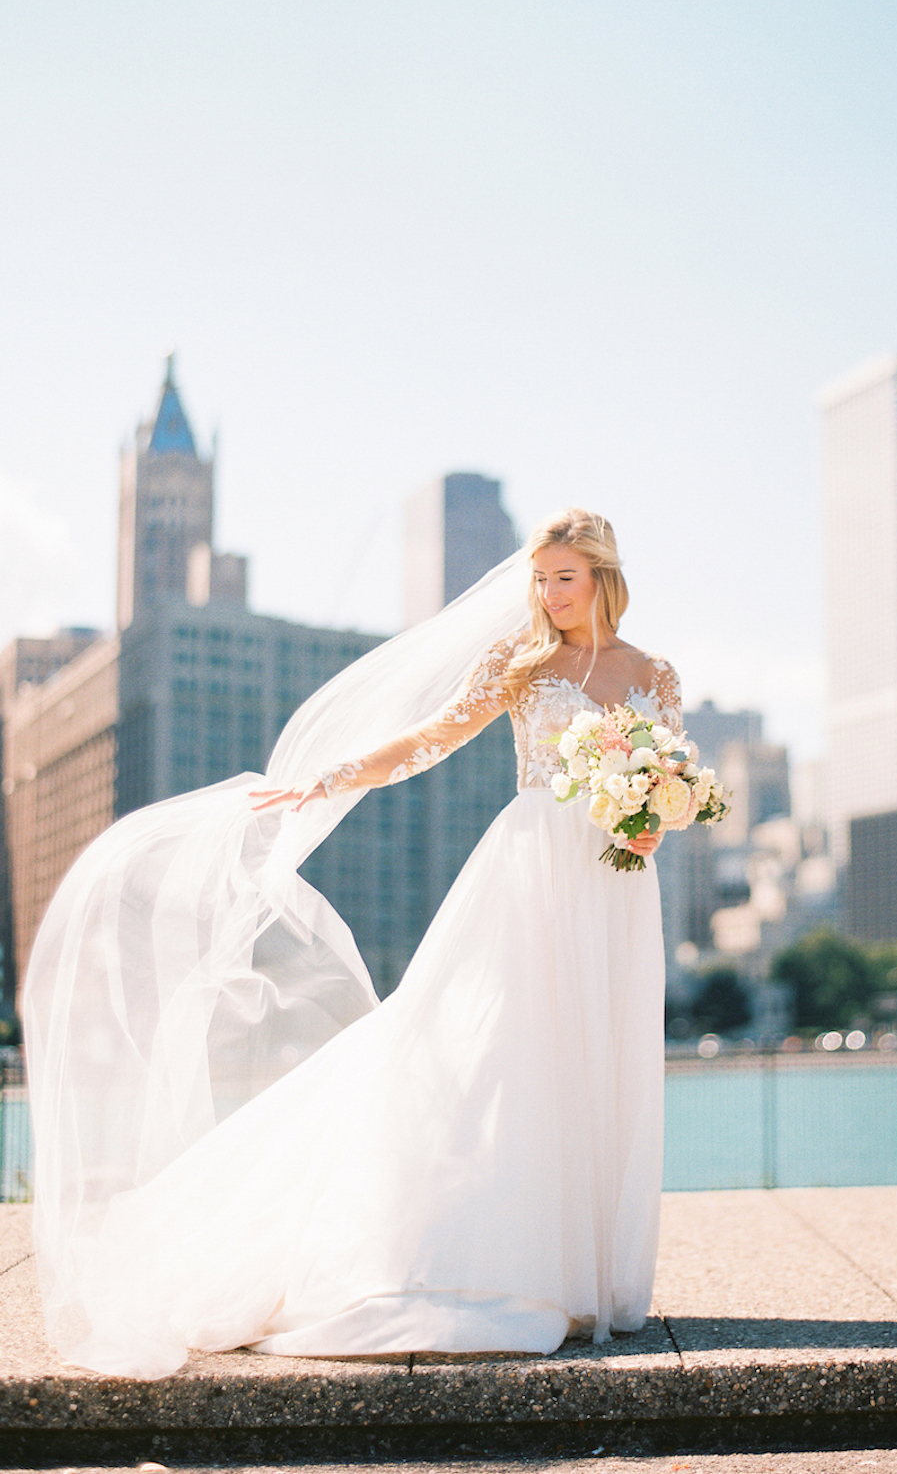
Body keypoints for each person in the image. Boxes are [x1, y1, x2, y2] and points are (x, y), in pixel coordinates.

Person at [24, 508, 683, 1379]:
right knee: (493, 1048)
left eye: (566, 576)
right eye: (542, 578)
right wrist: (327, 781)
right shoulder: (520, 667)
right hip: (531, 871)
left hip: (616, 884)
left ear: (602, 576)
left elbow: (674, 777)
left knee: (600, 1054)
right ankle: (490, 1256)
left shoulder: (656, 673)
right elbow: (431, 737)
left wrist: (651, 823)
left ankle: (589, 1271)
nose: (551, 594)